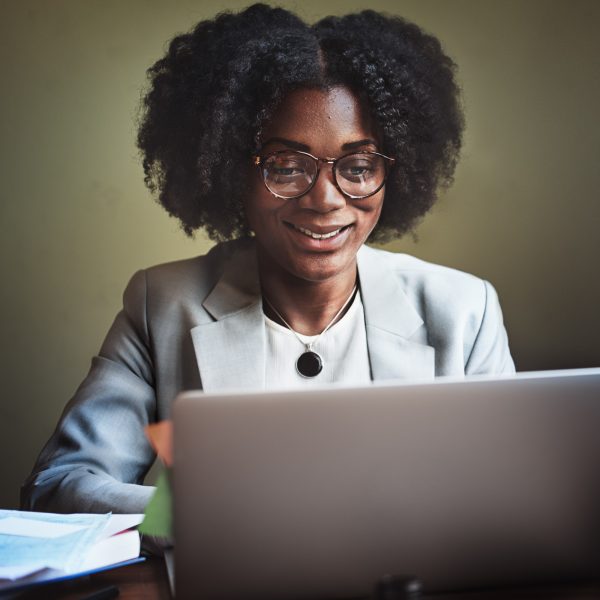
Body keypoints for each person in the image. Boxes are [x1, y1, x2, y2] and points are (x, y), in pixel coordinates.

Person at [21, 4, 514, 516]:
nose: (325, 199)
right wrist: (207, 517)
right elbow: (60, 485)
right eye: (285, 165)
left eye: (359, 166)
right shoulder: (162, 307)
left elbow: (511, 492)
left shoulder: (463, 311)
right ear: (232, 169)